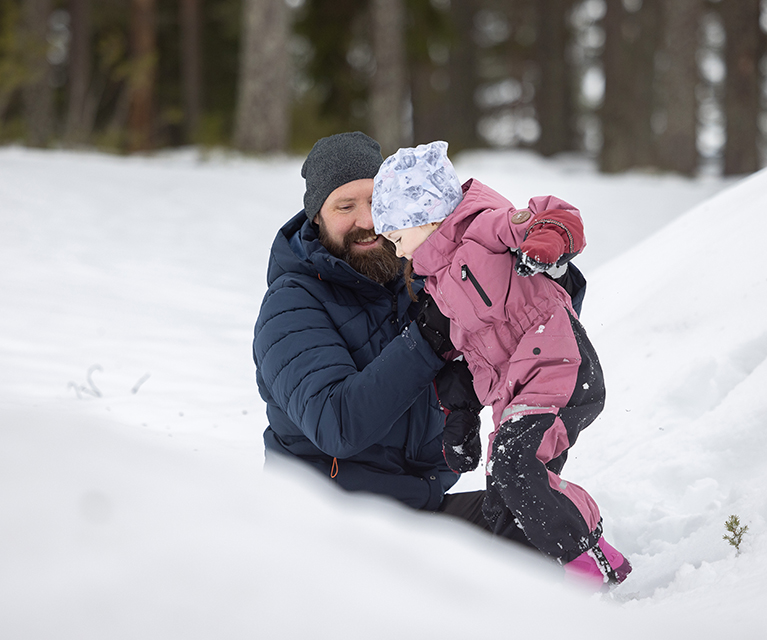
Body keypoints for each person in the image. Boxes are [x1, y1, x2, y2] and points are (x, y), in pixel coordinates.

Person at [252, 131, 584, 548]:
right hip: (325, 530)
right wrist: (426, 338)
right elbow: (337, 424)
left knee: (548, 524)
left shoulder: (427, 276)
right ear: (316, 217)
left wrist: (549, 275)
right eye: (345, 206)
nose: (368, 221)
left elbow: (518, 333)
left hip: (418, 517)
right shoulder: (291, 305)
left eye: (376, 202)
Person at [370, 140, 631, 589]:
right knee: (503, 498)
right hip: (517, 393)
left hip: (561, 365)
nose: (397, 254)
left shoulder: (482, 229)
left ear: (426, 216)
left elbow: (555, 214)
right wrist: (460, 421)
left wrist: (546, 243)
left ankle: (591, 559)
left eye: (397, 237)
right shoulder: (439, 287)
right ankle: (524, 589)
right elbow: (466, 362)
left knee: (514, 467)